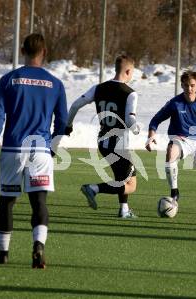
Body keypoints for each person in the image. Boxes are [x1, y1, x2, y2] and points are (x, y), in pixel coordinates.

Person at [0, 33, 68, 268]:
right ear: (44, 53)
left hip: (12, 148)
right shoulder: (56, 83)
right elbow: (61, 122)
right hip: (40, 150)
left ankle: (3, 253)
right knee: (39, 202)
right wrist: (52, 146)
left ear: (23, 50)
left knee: (7, 201)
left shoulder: (9, 80)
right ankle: (38, 245)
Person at [65, 55, 139, 218]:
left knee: (121, 177)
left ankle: (124, 210)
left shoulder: (98, 88)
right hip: (119, 144)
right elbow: (129, 118)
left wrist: (68, 125)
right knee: (131, 184)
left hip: (103, 142)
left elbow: (75, 105)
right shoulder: (130, 93)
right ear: (128, 71)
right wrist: (136, 128)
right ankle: (93, 188)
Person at [146, 70, 196, 216]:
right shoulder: (175, 103)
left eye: (192, 85)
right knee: (171, 151)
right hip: (181, 140)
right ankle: (175, 193)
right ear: (182, 85)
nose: (189, 89)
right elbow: (156, 119)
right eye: (185, 85)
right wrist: (151, 135)